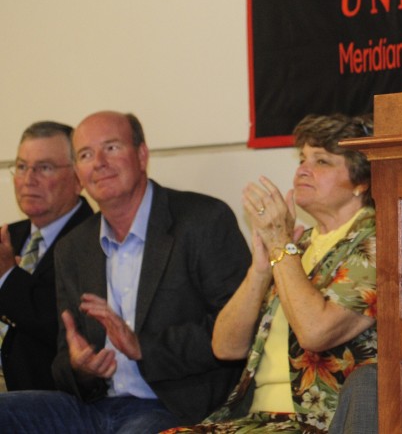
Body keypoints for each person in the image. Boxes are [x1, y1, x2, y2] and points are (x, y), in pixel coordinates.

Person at [0, 110, 252, 432]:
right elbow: (63, 361)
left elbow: (241, 332)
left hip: (172, 405)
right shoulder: (75, 247)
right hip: (92, 407)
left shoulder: (203, 220)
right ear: (79, 171)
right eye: (86, 154)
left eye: (112, 148)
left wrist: (143, 347)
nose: (99, 162)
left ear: (142, 155)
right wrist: (80, 367)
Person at [166, 113, 378, 433]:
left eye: (321, 161)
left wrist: (280, 244)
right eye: (302, 158)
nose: (303, 169)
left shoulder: (376, 238)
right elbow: (225, 346)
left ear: (361, 181)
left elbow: (315, 333)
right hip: (258, 417)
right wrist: (260, 270)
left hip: (319, 422)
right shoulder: (300, 245)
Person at [0, 121, 94, 392]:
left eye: (45, 167)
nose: (29, 179)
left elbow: (65, 324)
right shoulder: (10, 235)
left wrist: (7, 276)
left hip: (41, 395)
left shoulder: (95, 239)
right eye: (21, 167)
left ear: (78, 178)